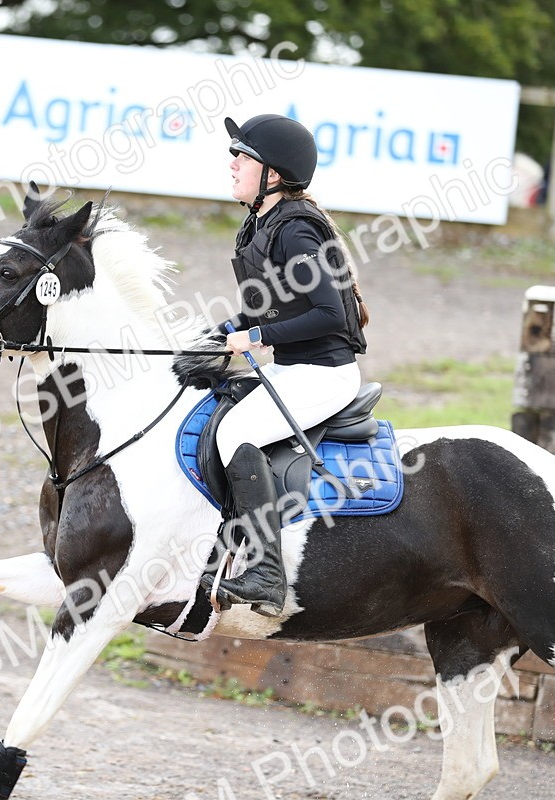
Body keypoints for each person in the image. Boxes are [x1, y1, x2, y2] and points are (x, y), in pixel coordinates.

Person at [200, 114, 369, 617]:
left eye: (243, 157)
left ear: (272, 174)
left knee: (236, 435)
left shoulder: (295, 229)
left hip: (323, 374)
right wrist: (219, 332)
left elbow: (328, 314)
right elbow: (269, 308)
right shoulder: (261, 224)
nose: (232, 164)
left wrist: (254, 337)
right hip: (293, 368)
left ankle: (267, 572)